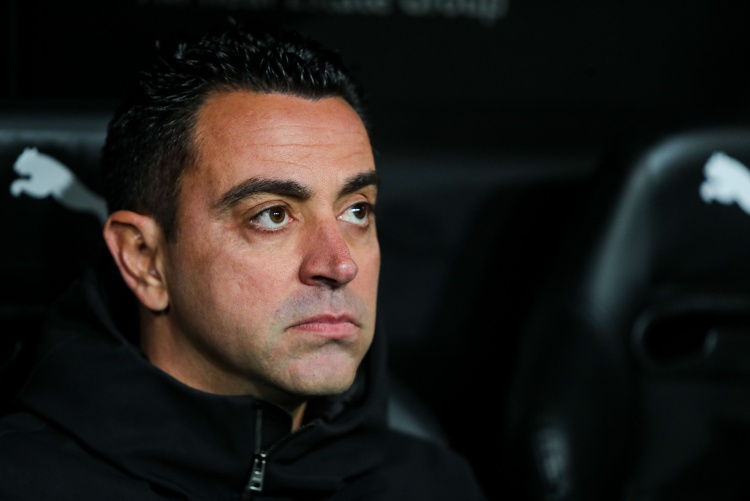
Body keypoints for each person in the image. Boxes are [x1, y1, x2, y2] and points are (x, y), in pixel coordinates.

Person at [0, 21, 488, 500]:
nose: (340, 265)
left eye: (356, 210)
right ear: (143, 258)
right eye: (273, 215)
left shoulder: (436, 485)